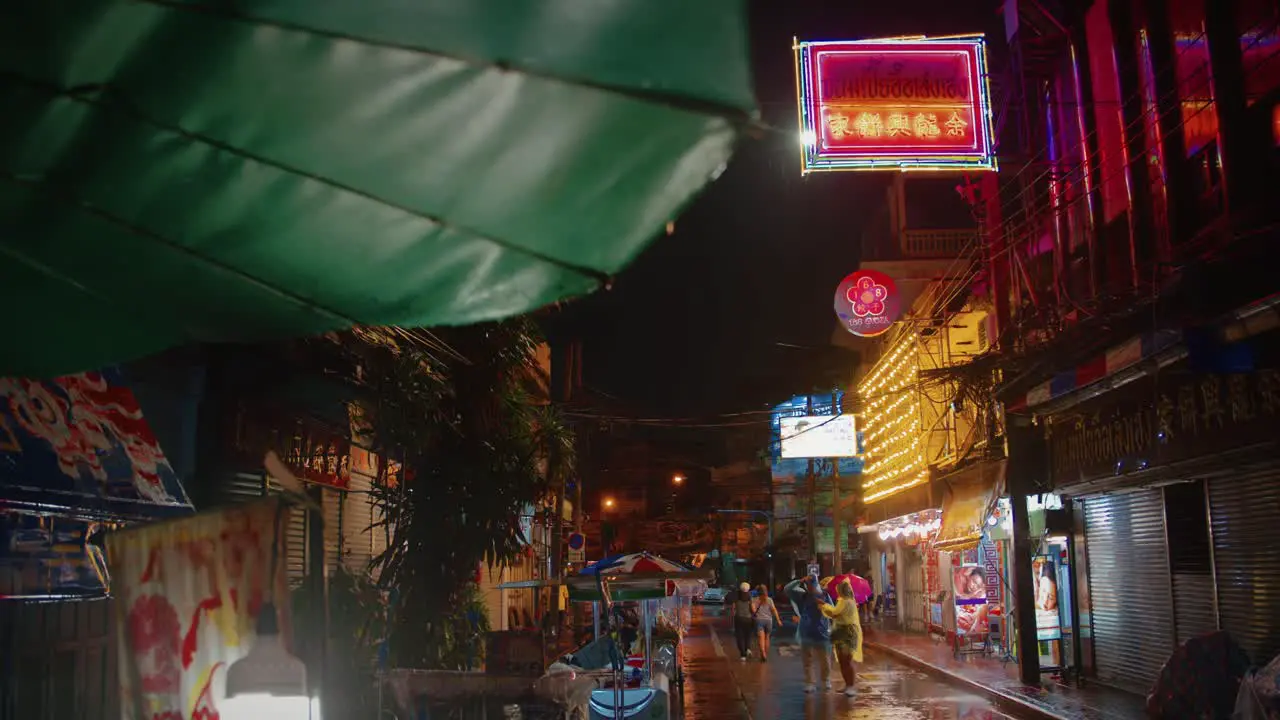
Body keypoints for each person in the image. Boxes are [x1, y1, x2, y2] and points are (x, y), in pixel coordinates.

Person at [821, 579, 863, 697]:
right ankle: (847, 685)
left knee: (846, 661)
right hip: (840, 632)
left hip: (847, 633)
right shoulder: (843, 601)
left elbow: (835, 613)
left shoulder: (846, 602)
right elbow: (834, 614)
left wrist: (824, 605)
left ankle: (851, 686)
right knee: (842, 661)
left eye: (838, 589)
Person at [795, 575, 832, 692]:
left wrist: (823, 605)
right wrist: (798, 581)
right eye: (807, 584)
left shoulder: (824, 595)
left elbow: (832, 609)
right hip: (806, 631)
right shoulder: (804, 596)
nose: (809, 586)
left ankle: (826, 679)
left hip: (822, 632)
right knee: (807, 659)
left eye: (810, 584)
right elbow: (788, 589)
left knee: (824, 659)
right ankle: (810, 682)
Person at [751, 583, 782, 662]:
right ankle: (765, 654)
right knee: (767, 637)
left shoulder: (755, 599)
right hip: (769, 620)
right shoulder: (769, 600)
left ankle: (763, 653)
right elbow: (774, 610)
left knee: (761, 638)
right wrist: (778, 620)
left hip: (759, 620)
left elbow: (753, 610)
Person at [731, 582, 755, 661]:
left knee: (740, 637)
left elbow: (733, 609)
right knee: (747, 636)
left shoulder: (736, 597)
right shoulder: (750, 597)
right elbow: (753, 609)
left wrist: (734, 615)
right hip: (748, 619)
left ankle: (743, 655)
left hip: (738, 618)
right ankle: (747, 648)